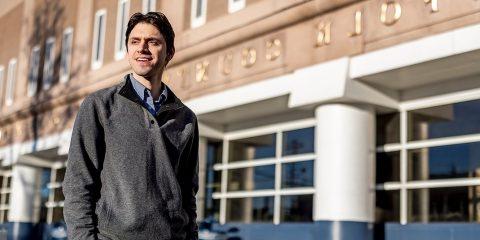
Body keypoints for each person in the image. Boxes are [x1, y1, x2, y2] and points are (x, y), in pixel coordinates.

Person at [63, 12, 199, 240]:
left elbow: (188, 195)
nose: (142, 48)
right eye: (135, 42)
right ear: (128, 50)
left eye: (153, 42)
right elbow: (78, 183)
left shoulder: (186, 119)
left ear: (170, 53)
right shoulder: (99, 106)